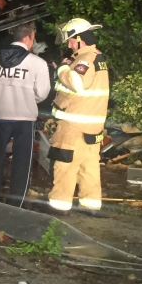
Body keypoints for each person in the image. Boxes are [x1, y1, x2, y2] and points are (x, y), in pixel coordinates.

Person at [0, 21, 51, 206]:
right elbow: (42, 93)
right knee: (22, 161)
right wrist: (25, 98)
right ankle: (16, 203)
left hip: (0, 116)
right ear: (28, 37)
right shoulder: (37, 63)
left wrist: (1, 96)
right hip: (24, 119)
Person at [47, 18, 110, 213]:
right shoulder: (96, 57)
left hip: (74, 126)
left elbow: (77, 84)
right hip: (92, 127)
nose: (69, 44)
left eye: (71, 40)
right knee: (89, 168)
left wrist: (62, 69)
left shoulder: (85, 60)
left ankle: (59, 206)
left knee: (65, 166)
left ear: (80, 39)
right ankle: (90, 205)